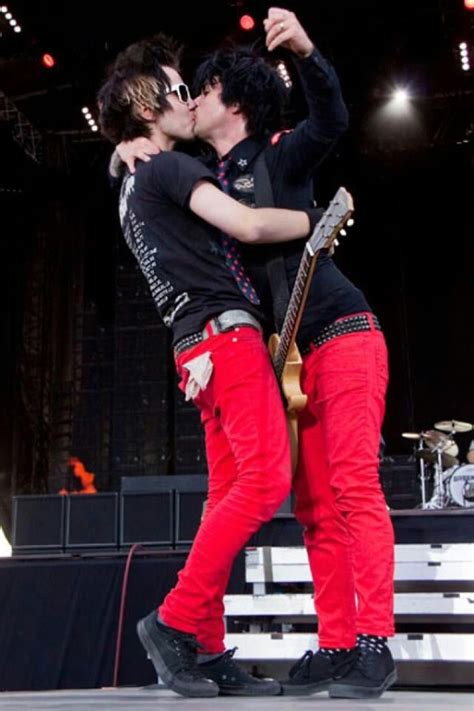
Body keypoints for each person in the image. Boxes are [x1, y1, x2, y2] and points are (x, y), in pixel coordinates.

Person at [114, 7, 396, 700]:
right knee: (310, 504)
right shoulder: (191, 175)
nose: (191, 98)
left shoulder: (278, 151)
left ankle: (375, 642)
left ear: (231, 100)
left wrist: (306, 52)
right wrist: (119, 148)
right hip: (285, 357)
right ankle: (334, 644)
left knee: (353, 486)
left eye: (201, 89)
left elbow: (329, 119)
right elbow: (148, 173)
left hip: (344, 332)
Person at [98, 33, 321, 698]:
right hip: (224, 339)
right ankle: (173, 620)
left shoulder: (132, 180)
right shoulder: (165, 170)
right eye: (172, 88)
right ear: (144, 104)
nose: (185, 99)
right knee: (266, 478)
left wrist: (115, 154)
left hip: (195, 348)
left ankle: (201, 646)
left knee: (226, 497)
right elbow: (248, 227)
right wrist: (316, 219)